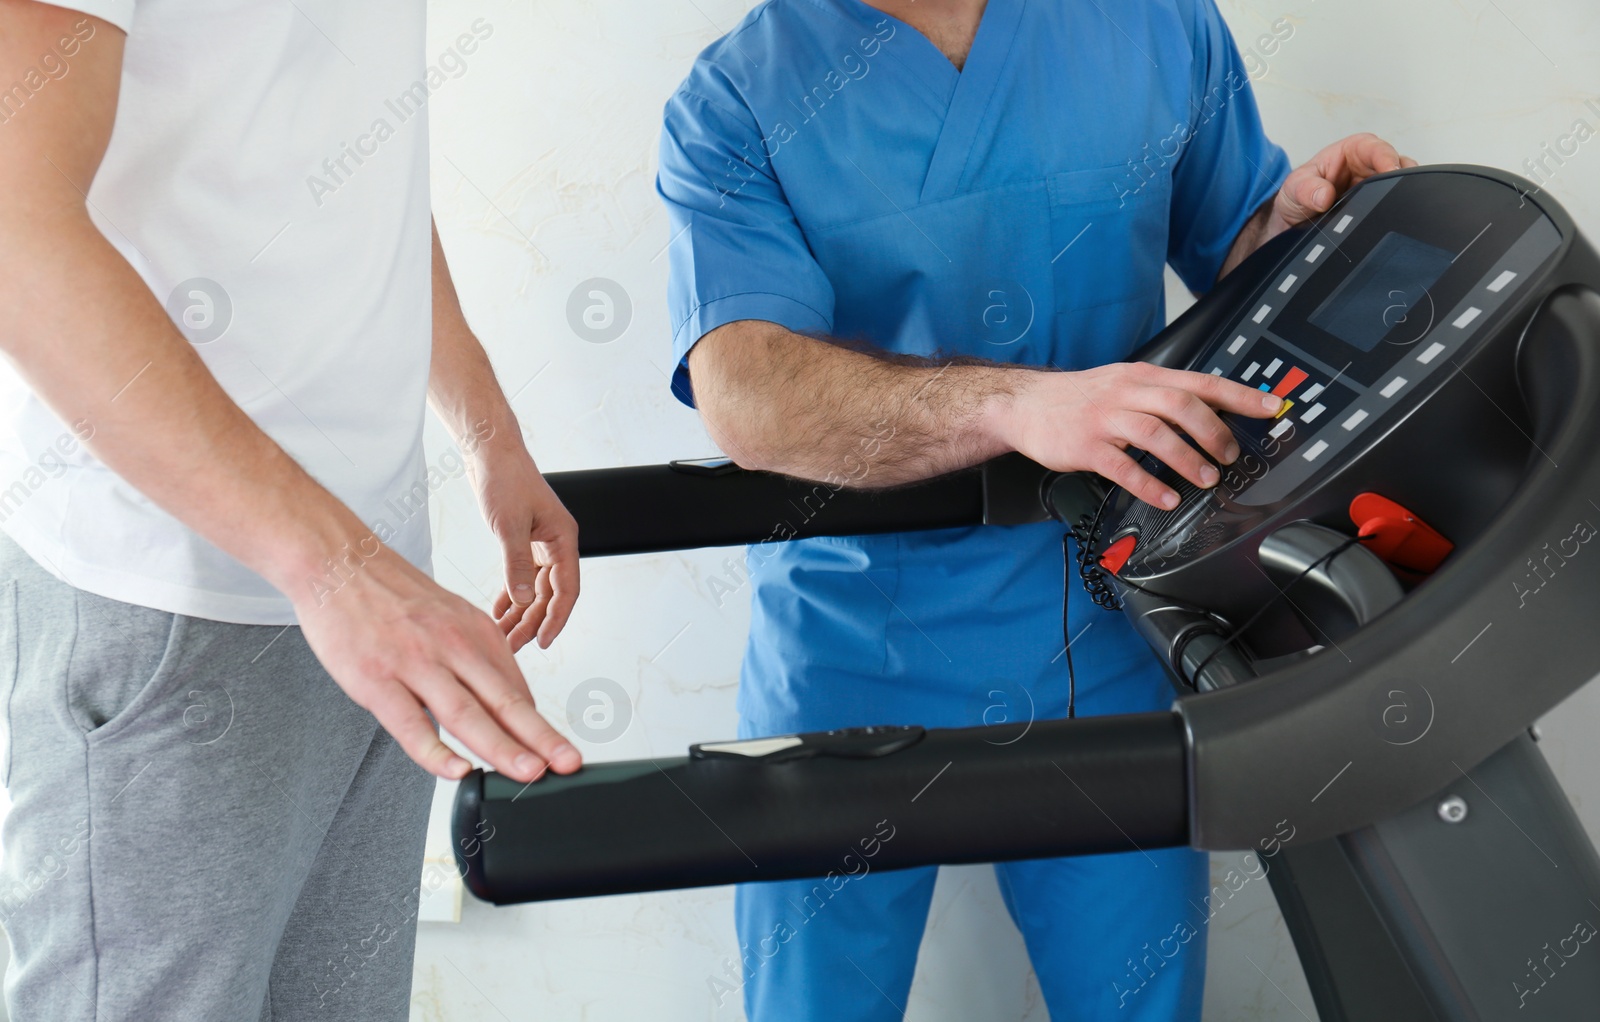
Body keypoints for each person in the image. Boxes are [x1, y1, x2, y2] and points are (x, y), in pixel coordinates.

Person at [656, 0, 1414, 1018]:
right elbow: (745, 390)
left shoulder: (1152, 26)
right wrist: (1012, 404)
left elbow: (1237, 260)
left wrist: (1290, 230)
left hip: (1103, 632)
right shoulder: (737, 97)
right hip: (850, 649)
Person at [0, 2, 583, 1018]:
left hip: (376, 600)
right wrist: (330, 567)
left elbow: (347, 161)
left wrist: (487, 429)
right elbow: (13, 226)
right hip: (177, 602)